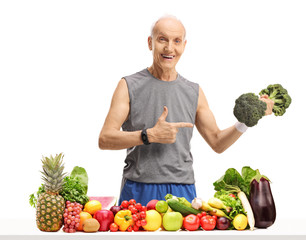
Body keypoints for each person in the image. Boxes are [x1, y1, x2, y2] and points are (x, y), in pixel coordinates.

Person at [98, 15, 274, 206]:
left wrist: (248, 120)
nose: (169, 48)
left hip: (183, 190)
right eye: (162, 39)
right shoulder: (128, 85)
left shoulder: (194, 91)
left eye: (177, 41)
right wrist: (149, 135)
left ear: (184, 45)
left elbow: (217, 142)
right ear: (150, 43)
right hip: (139, 188)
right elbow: (105, 139)